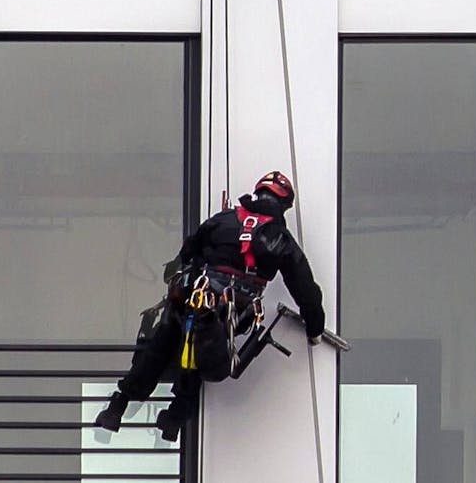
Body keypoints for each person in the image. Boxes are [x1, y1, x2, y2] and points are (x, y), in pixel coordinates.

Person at [92, 171, 326, 442]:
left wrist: (177, 275)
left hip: (191, 296)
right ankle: (175, 419)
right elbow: (305, 289)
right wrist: (315, 329)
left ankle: (116, 408)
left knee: (160, 346)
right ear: (283, 204)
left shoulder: (223, 219)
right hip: (228, 312)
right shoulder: (280, 239)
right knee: (198, 361)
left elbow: (187, 252)